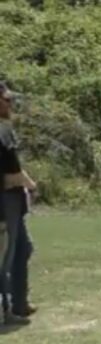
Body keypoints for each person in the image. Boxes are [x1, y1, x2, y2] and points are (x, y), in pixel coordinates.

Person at [0, 81, 35, 326]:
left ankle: (19, 302)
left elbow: (14, 166)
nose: (11, 104)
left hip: (14, 196)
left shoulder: (5, 128)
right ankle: (7, 310)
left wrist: (27, 182)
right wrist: (31, 185)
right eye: (7, 100)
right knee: (6, 257)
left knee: (23, 248)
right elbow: (8, 173)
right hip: (6, 198)